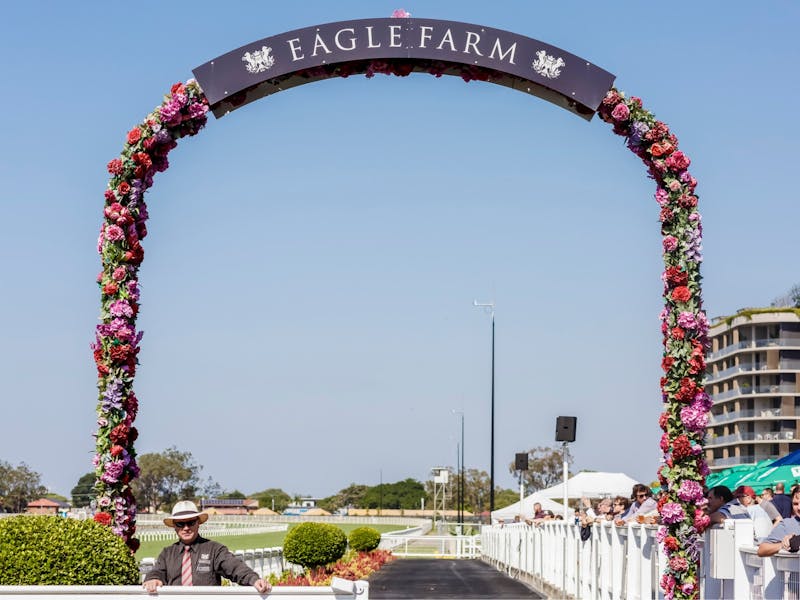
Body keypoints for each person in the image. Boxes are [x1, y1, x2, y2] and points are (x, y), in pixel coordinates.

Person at [143, 501, 271, 594]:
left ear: (198, 523)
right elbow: (157, 571)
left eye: (191, 522)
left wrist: (254, 580)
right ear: (175, 526)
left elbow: (235, 567)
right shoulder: (167, 553)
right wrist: (153, 579)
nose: (186, 528)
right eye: (181, 524)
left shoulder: (214, 549)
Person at [758, 487, 800, 557]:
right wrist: (785, 544)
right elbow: (762, 550)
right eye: (795, 504)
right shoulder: (787, 524)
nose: (799, 508)